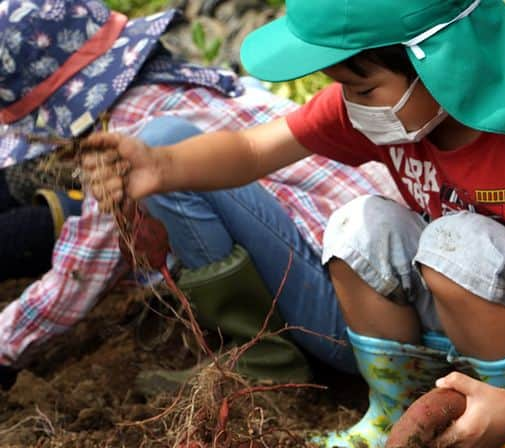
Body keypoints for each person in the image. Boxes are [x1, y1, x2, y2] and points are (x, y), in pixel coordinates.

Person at [81, 0, 505, 448]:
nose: (350, 104)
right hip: (472, 312)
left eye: (364, 88)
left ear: (446, 69)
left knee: (457, 243)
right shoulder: (390, 111)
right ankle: (393, 409)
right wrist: (161, 166)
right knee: (359, 223)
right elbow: (254, 148)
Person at [0, 0, 396, 393]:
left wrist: (5, 346)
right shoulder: (191, 84)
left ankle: (262, 361)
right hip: (394, 295)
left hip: (357, 327)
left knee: (166, 158)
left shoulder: (128, 134)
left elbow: (80, 272)